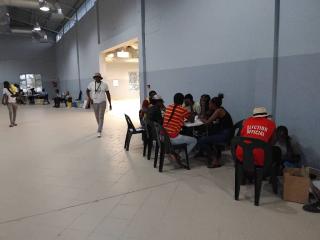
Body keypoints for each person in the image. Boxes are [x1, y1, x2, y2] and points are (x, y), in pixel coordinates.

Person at [198, 94, 234, 168]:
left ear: (214, 104)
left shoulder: (218, 111)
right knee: (207, 135)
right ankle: (216, 156)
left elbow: (207, 122)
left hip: (225, 134)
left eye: (210, 103)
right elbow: (207, 116)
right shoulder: (219, 109)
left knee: (201, 140)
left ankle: (215, 160)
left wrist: (201, 119)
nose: (209, 104)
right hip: (224, 132)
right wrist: (203, 108)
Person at [163, 93, 197, 164]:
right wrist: (191, 105)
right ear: (182, 101)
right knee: (194, 140)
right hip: (173, 138)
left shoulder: (169, 107)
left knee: (183, 133)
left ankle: (177, 153)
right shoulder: (182, 109)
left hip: (164, 136)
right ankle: (180, 156)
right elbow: (192, 120)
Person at [86, 73, 112, 138]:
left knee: (101, 116)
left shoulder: (104, 85)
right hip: (94, 102)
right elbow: (87, 91)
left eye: (98, 77)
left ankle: (99, 131)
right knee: (97, 116)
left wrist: (110, 103)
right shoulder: (91, 84)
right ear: (94, 78)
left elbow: (108, 94)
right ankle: (100, 126)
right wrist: (90, 98)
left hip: (102, 102)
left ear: (100, 78)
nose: (97, 78)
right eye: (96, 77)